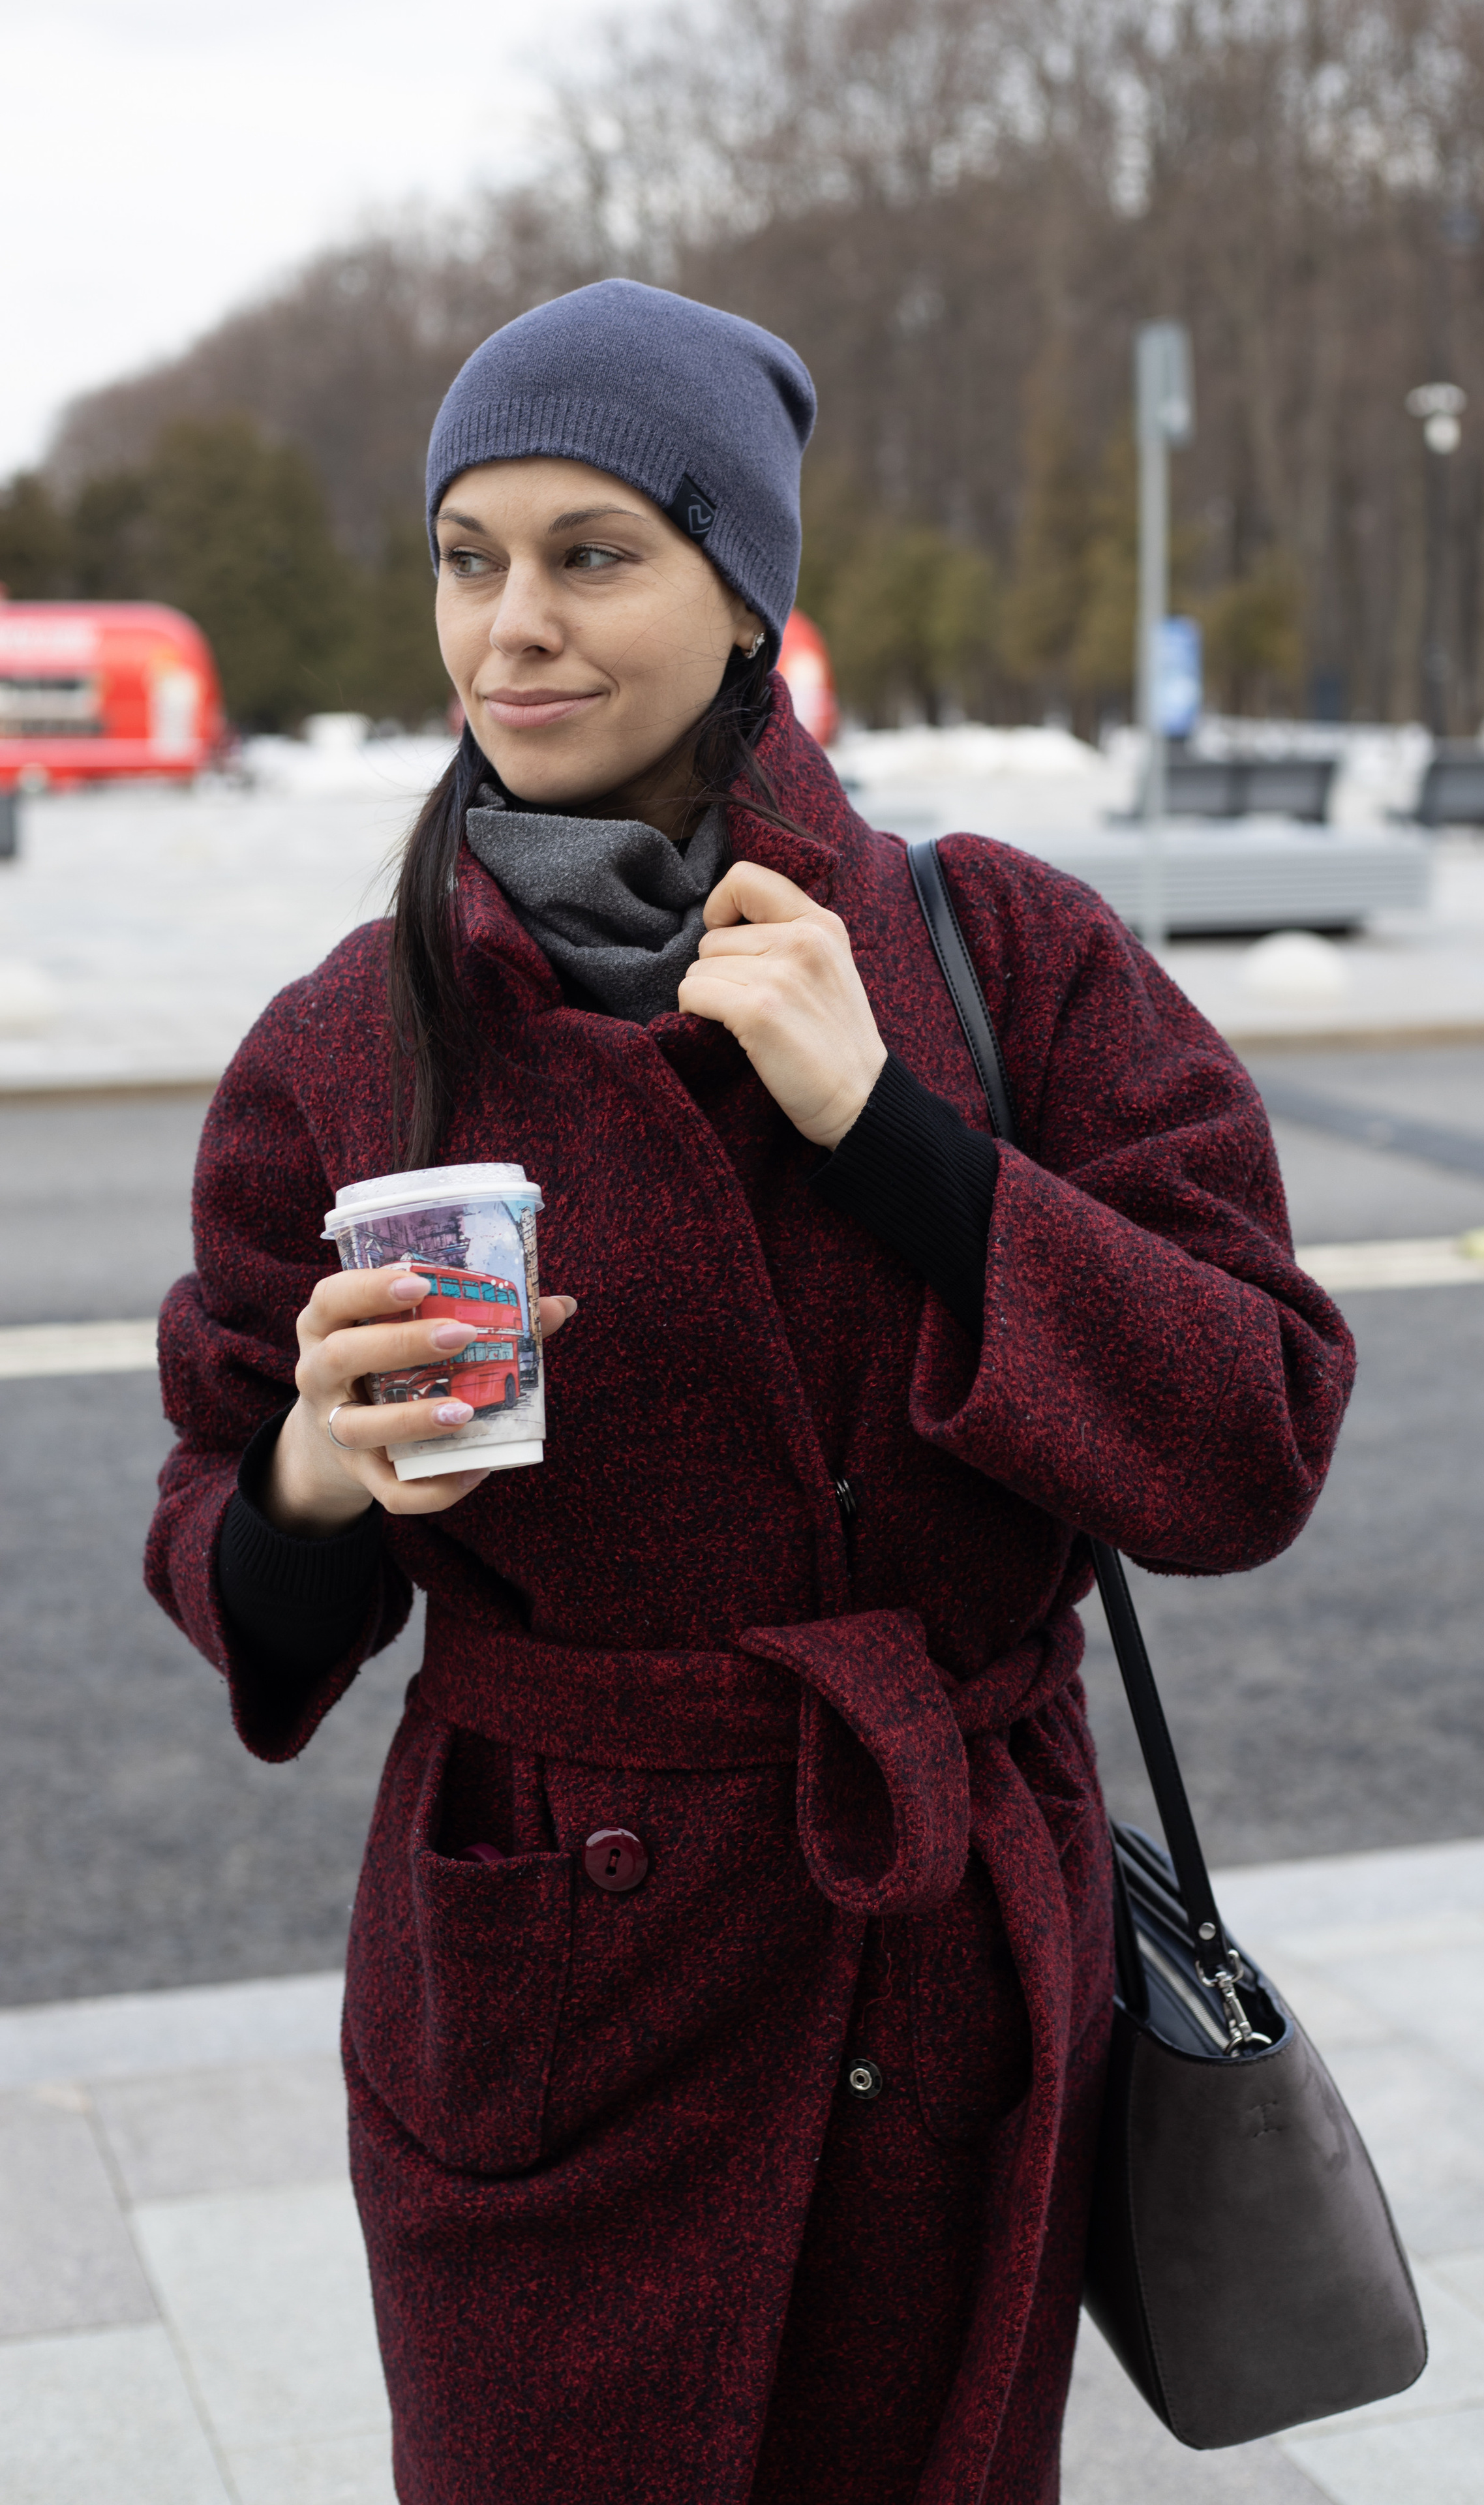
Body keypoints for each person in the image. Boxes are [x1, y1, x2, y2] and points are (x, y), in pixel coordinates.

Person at [145, 279, 1354, 2505]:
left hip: (953, 1974)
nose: (512, 624)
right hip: (547, 2002)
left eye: (593, 553)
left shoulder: (1007, 957)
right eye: (467, 554)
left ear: (744, 605)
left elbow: (1252, 1433)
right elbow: (239, 1556)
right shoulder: (347, 1043)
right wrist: (307, 1484)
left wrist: (896, 1134)